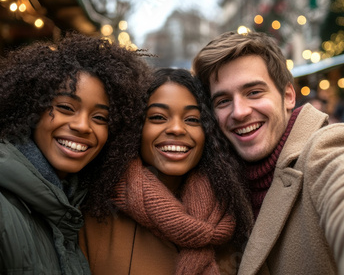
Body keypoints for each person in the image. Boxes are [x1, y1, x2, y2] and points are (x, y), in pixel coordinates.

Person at [192, 31, 344, 275]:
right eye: (223, 101)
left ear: (288, 96)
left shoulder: (327, 147)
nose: (239, 112)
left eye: (254, 92)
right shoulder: (216, 182)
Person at [0, 33, 151, 274]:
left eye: (100, 118)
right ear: (31, 109)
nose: (83, 126)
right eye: (66, 108)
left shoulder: (74, 208)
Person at [79, 68, 253, 274]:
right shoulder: (93, 210)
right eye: (158, 117)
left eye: (192, 120)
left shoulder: (236, 216)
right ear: (135, 129)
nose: (177, 129)